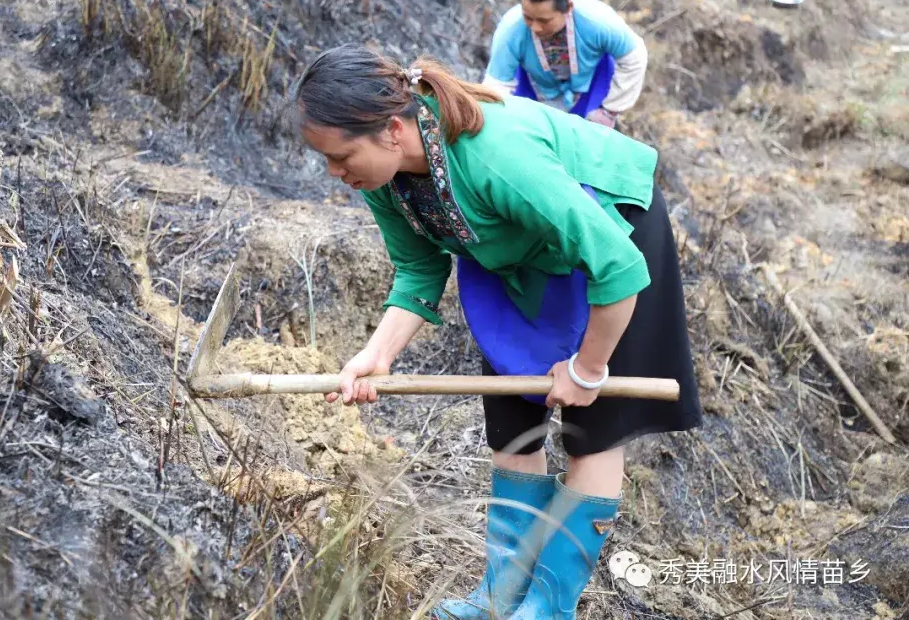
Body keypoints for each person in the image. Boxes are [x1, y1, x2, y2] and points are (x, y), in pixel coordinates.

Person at [291, 44, 702, 619]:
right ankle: (498, 598)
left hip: (613, 235)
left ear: (389, 130)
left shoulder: (495, 155)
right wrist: (375, 355)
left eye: (340, 157)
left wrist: (587, 369)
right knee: (513, 428)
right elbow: (418, 270)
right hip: (515, 254)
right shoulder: (385, 179)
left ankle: (547, 609)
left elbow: (618, 267)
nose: (336, 175)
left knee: (593, 432)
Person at [483, 0, 648, 130]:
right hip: (536, 88)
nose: (535, 27)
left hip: (590, 86)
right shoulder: (512, 28)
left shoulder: (596, 22)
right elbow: (497, 83)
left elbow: (634, 56)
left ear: (568, 8)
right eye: (528, 17)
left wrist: (610, 110)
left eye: (544, 20)